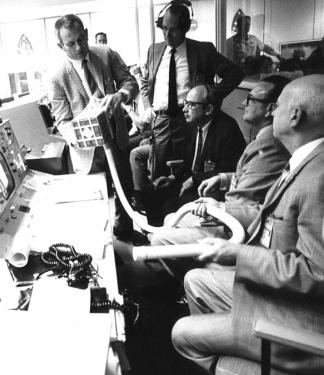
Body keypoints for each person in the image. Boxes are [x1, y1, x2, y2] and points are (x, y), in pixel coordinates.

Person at [172, 74, 324, 374]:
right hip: (279, 293)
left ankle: (239, 363)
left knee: (182, 333)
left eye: (277, 105)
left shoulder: (318, 178)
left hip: (296, 316)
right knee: (195, 280)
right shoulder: (304, 159)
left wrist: (237, 255)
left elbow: (316, 273)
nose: (272, 111)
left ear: (294, 116)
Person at [133, 2, 243, 223]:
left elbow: (234, 73)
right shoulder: (153, 50)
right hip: (162, 120)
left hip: (190, 120)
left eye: (173, 29)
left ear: (185, 28)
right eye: (163, 28)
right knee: (161, 178)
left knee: (193, 168)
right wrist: (149, 106)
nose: (167, 34)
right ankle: (158, 229)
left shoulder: (203, 50)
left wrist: (211, 95)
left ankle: (182, 226)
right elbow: (147, 82)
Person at [149, 76, 290, 246]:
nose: (244, 102)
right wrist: (223, 179)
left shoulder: (264, 144)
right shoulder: (193, 126)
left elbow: (245, 197)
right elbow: (246, 177)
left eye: (251, 99)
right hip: (216, 198)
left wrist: (217, 207)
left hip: (229, 220)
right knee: (160, 203)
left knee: (162, 234)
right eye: (185, 103)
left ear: (270, 109)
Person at [48, 14, 147, 245]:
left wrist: (120, 95)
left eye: (82, 39)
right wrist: (83, 134)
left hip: (116, 137)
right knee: (96, 200)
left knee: (124, 188)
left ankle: (124, 231)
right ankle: (104, 248)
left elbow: (129, 82)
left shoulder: (105, 53)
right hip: (88, 150)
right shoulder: (56, 77)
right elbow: (62, 121)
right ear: (60, 46)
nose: (79, 46)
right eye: (71, 43)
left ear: (86, 32)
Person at [146, 85, 245, 216]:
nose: (185, 109)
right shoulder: (193, 124)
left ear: (208, 109)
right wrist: (172, 177)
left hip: (209, 190)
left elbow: (229, 171)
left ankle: (166, 234)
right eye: (186, 103)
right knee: (149, 193)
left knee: (169, 206)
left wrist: (194, 179)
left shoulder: (227, 129)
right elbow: (188, 161)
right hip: (191, 181)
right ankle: (155, 235)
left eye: (191, 105)